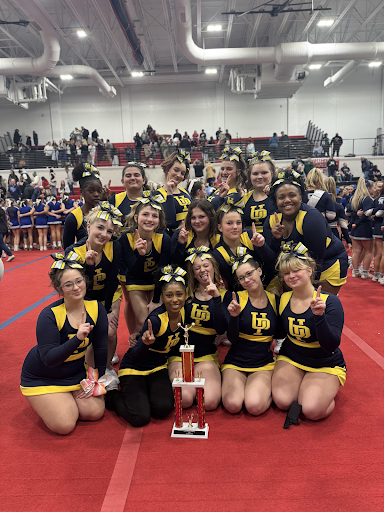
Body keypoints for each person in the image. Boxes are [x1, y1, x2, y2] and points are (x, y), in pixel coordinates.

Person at [20, 253, 108, 435]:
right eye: (68, 284)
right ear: (59, 289)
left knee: (95, 412)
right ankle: (52, 399)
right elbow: (50, 360)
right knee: (65, 425)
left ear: (85, 280)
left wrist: (96, 378)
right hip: (43, 375)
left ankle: (64, 399)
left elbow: (100, 346)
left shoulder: (96, 307)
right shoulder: (49, 315)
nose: (76, 287)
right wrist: (77, 339)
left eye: (79, 281)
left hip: (75, 372)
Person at [272, 243, 346, 421]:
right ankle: (305, 385)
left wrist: (319, 316)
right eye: (286, 273)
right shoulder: (284, 298)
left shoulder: (330, 302)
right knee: (282, 401)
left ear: (310, 270)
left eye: (296, 270)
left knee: (312, 411)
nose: (291, 276)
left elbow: (331, 345)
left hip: (325, 362)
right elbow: (279, 332)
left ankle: (321, 392)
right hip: (292, 357)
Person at [105, 265, 187, 427]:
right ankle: (111, 395)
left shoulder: (185, 313)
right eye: (169, 295)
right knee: (140, 418)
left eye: (179, 294)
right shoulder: (155, 320)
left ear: (186, 295)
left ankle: (143, 394)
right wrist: (144, 343)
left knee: (163, 409)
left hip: (157, 367)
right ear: (162, 297)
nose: (175, 300)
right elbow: (135, 356)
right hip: (134, 368)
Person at [264, 169, 348, 295]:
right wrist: (276, 239)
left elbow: (317, 260)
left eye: (292, 195)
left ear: (300, 197)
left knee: (318, 305)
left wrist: (305, 291)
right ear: (275, 200)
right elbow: (272, 258)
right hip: (296, 267)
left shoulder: (311, 218)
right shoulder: (271, 220)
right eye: (281, 197)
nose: (287, 200)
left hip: (327, 263)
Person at [66, 202, 123, 375]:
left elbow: (113, 281)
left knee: (110, 332)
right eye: (100, 227)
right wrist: (89, 266)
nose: (104, 234)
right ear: (88, 226)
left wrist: (107, 310)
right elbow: (77, 288)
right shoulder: (74, 252)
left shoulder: (114, 247)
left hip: (109, 295)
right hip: (83, 297)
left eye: (110, 231)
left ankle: (106, 368)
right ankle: (88, 370)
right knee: (87, 333)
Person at [168, 248, 227, 410]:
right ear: (193, 274)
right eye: (197, 268)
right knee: (185, 399)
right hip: (180, 353)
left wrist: (216, 299)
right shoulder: (185, 293)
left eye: (206, 265)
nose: (202, 270)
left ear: (213, 268)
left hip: (206, 354)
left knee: (210, 402)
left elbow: (221, 328)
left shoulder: (224, 295)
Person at [222, 257, 280, 415]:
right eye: (241, 278)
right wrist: (234, 317)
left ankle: (265, 391)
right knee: (233, 405)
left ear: (259, 271)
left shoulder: (275, 300)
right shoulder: (236, 298)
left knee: (254, 406)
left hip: (263, 363)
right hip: (236, 362)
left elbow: (281, 333)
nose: (246, 280)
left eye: (249, 274)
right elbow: (232, 339)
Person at [119, 191, 171, 334]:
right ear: (136, 218)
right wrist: (141, 255)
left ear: (159, 220)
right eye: (145, 215)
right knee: (144, 321)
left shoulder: (163, 239)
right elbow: (134, 271)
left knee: (157, 321)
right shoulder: (126, 238)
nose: (150, 219)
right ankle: (138, 347)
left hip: (156, 282)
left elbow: (162, 272)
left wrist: (155, 300)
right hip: (136, 281)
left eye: (155, 216)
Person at [212, 200, 276, 292]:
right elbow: (234, 284)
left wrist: (262, 246)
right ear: (220, 227)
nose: (235, 227)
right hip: (244, 292)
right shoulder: (219, 253)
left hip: (268, 282)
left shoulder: (249, 236)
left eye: (238, 223)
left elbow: (272, 263)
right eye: (229, 223)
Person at [63, 163, 108, 249]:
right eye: (91, 191)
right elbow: (67, 249)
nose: (96, 194)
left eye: (99, 191)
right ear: (81, 192)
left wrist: (105, 200)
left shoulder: (107, 212)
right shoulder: (73, 218)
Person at [171, 199, 220, 267]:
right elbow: (174, 264)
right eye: (193, 218)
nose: (197, 221)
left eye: (201, 217)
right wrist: (180, 245)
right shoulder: (180, 234)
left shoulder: (218, 237)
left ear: (210, 217)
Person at [157, 149, 192, 231]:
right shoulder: (158, 194)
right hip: (175, 238)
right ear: (167, 169)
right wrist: (169, 194)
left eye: (183, 173)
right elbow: (169, 223)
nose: (179, 175)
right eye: (176, 170)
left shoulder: (185, 192)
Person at [242, 151, 276, 233]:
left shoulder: (279, 196)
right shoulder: (244, 199)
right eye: (255, 174)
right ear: (250, 176)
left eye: (264, 173)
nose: (259, 177)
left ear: (271, 174)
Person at [208, 146, 247, 210]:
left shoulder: (237, 195)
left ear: (238, 172)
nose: (224, 172)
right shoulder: (217, 191)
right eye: (222, 169)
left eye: (229, 169)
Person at [349, 177, 374, 279]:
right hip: (364, 228)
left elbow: (348, 213)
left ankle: (355, 272)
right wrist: (359, 221)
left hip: (355, 229)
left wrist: (355, 221)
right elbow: (367, 214)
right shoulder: (366, 198)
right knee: (368, 251)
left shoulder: (353, 198)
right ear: (367, 187)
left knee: (355, 251)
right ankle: (365, 272)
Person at [324, 177, 352, 250]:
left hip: (319, 232)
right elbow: (343, 225)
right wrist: (348, 240)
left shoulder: (318, 205)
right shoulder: (338, 206)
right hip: (333, 234)